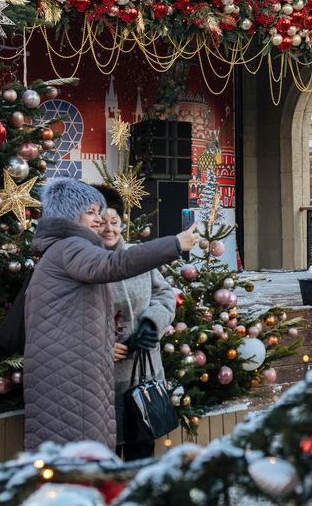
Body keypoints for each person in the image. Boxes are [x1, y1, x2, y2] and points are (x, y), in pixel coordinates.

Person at [22, 177, 200, 451]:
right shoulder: (80, 251)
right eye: (93, 214)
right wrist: (175, 244)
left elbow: (163, 295)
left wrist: (152, 324)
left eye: (109, 218)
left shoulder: (76, 250)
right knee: (99, 456)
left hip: (138, 370)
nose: (102, 223)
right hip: (96, 376)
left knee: (135, 451)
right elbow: (112, 268)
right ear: (71, 214)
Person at [95, 186, 178, 460]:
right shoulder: (84, 263)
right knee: (104, 459)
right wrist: (102, 345)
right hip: (103, 382)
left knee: (141, 454)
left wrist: (151, 325)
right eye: (102, 222)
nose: (109, 229)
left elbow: (164, 293)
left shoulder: (137, 255)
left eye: (115, 222)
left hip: (143, 374)